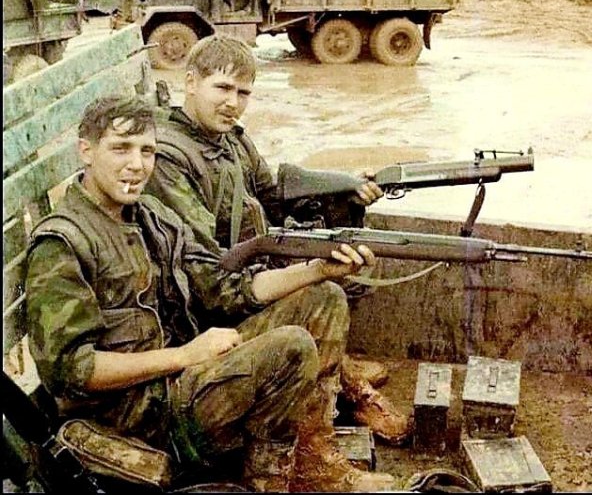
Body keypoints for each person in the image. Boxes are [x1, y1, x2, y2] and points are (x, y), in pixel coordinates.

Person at [26, 95, 396, 492]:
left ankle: (312, 464)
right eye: (121, 148)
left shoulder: (153, 218)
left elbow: (222, 288)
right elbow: (71, 371)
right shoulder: (63, 244)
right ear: (86, 151)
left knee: (323, 298)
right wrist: (185, 355)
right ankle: (266, 481)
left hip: (181, 378)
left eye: (147, 151)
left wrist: (317, 269)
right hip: (135, 416)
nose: (136, 164)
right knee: (291, 346)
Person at [144, 34, 410, 444]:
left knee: (336, 279)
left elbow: (275, 202)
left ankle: (337, 388)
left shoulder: (231, 140)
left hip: (244, 282)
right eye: (222, 88)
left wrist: (343, 194)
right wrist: (305, 271)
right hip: (205, 320)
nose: (232, 102)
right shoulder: (169, 159)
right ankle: (317, 436)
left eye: (243, 93)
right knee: (324, 295)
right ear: (190, 81)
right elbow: (208, 285)